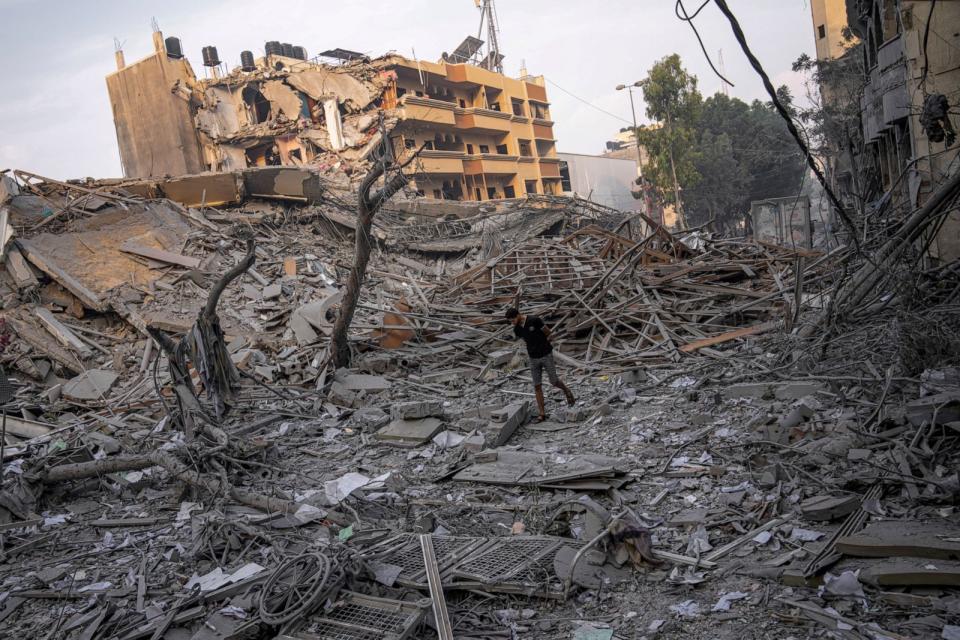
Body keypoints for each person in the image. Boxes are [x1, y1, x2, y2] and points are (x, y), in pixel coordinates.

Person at [505, 307, 575, 421]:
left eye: (512, 320)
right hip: (533, 358)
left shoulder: (534, 320)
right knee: (537, 386)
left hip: (546, 355)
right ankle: (542, 413)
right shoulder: (517, 329)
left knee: (554, 381)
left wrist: (544, 344)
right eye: (510, 321)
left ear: (518, 315)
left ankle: (566, 390)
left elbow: (548, 332)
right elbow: (524, 340)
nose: (512, 323)